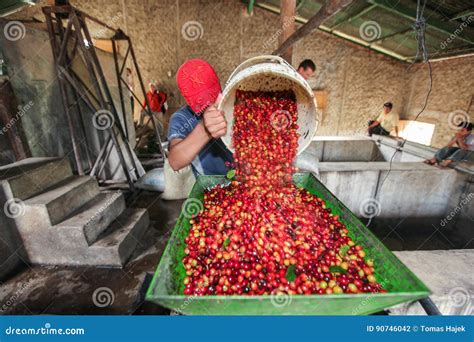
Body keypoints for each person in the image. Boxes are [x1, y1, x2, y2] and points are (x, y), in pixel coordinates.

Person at [167, 59, 233, 176]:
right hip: (210, 187)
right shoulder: (182, 118)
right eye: (204, 104)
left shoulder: (232, 102)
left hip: (245, 180)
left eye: (214, 97)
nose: (213, 105)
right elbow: (175, 161)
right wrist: (204, 129)